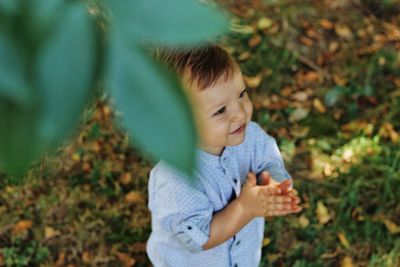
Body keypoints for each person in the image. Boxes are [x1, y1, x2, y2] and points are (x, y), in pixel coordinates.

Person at [146, 43, 302, 266]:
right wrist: (245, 208)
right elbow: (198, 238)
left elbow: (268, 157)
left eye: (241, 95)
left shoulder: (250, 136)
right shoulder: (176, 177)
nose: (240, 114)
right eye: (220, 110)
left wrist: (270, 183)